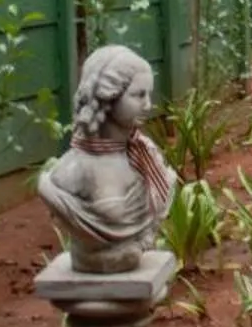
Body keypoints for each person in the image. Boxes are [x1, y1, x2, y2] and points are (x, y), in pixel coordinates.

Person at [36, 44, 175, 271]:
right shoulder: (71, 173)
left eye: (148, 94)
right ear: (108, 97)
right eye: (139, 95)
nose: (148, 105)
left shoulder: (144, 159)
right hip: (91, 260)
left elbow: (162, 193)